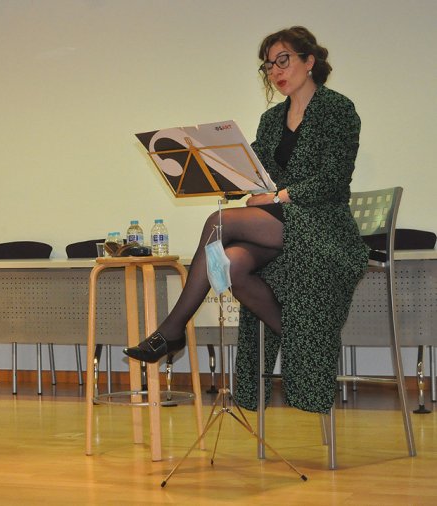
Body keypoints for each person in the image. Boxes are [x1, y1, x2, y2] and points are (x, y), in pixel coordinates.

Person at [123, 26, 368, 414]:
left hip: (324, 226)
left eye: (282, 60)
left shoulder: (338, 108)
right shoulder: (271, 119)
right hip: (281, 225)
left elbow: (334, 178)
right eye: (268, 65)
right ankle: (299, 339)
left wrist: (277, 195)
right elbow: (253, 175)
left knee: (220, 223)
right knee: (234, 263)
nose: (275, 71)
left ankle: (171, 331)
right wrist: (210, 166)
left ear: (310, 61)